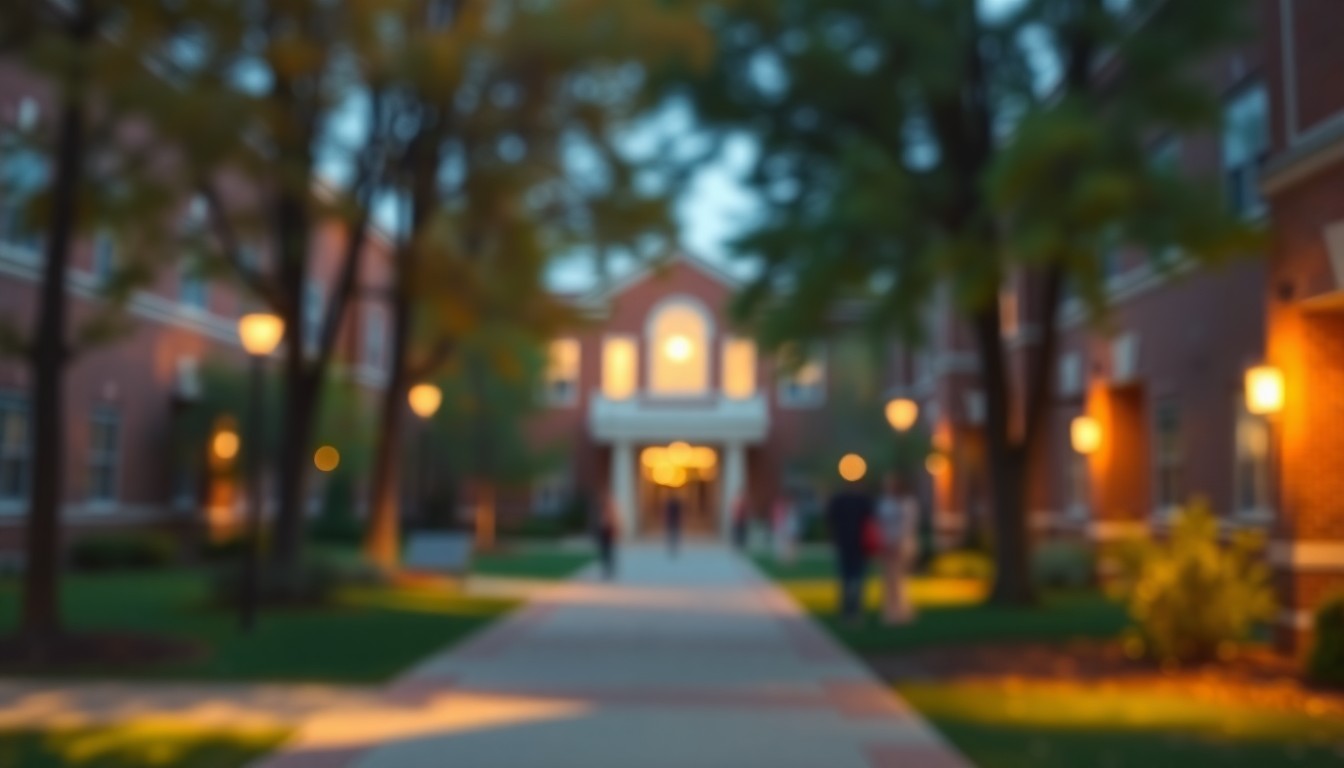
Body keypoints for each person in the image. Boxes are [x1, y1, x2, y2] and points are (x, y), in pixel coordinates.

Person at [826, 477, 875, 624]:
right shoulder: (862, 500)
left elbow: (830, 520)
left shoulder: (840, 500)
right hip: (857, 546)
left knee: (847, 580)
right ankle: (854, 611)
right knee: (856, 580)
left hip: (850, 545)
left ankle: (848, 611)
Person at [876, 474, 919, 624]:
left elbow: (908, 525)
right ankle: (890, 611)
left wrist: (897, 543)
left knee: (899, 579)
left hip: (902, 544)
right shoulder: (885, 503)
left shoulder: (907, 504)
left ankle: (902, 612)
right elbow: (880, 524)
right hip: (887, 545)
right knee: (888, 580)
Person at [596, 491, 619, 580]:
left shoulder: (611, 508)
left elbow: (614, 520)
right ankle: (606, 569)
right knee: (605, 551)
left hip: (608, 530)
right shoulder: (602, 508)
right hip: (603, 531)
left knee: (608, 551)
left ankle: (610, 569)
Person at [771, 492, 798, 564]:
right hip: (781, 526)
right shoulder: (781, 508)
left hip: (784, 527)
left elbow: (783, 518)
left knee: (788, 543)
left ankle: (788, 558)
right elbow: (777, 518)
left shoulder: (788, 509)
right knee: (781, 543)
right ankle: (783, 557)